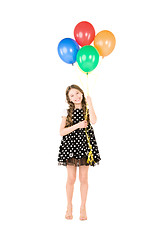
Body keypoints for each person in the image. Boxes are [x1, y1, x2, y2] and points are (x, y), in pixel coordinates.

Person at [57, 84, 101, 220]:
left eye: (77, 93)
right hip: (70, 146)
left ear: (81, 93)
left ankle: (83, 207)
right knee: (71, 178)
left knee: (84, 178)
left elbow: (94, 120)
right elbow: (61, 132)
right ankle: (69, 206)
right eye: (72, 96)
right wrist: (77, 125)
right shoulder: (66, 112)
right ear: (68, 99)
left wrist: (91, 103)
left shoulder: (87, 109)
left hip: (84, 146)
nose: (75, 97)